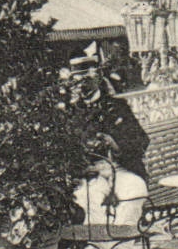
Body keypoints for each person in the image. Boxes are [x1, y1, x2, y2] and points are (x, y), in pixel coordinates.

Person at [71, 141, 147, 249]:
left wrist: (115, 145)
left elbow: (139, 144)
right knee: (89, 202)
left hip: (121, 170)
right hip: (90, 176)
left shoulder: (117, 118)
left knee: (132, 194)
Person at [64, 50, 149, 180]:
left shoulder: (117, 106)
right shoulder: (73, 112)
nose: (81, 86)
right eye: (77, 82)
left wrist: (115, 144)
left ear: (98, 79)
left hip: (123, 169)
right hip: (89, 175)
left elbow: (141, 139)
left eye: (87, 79)